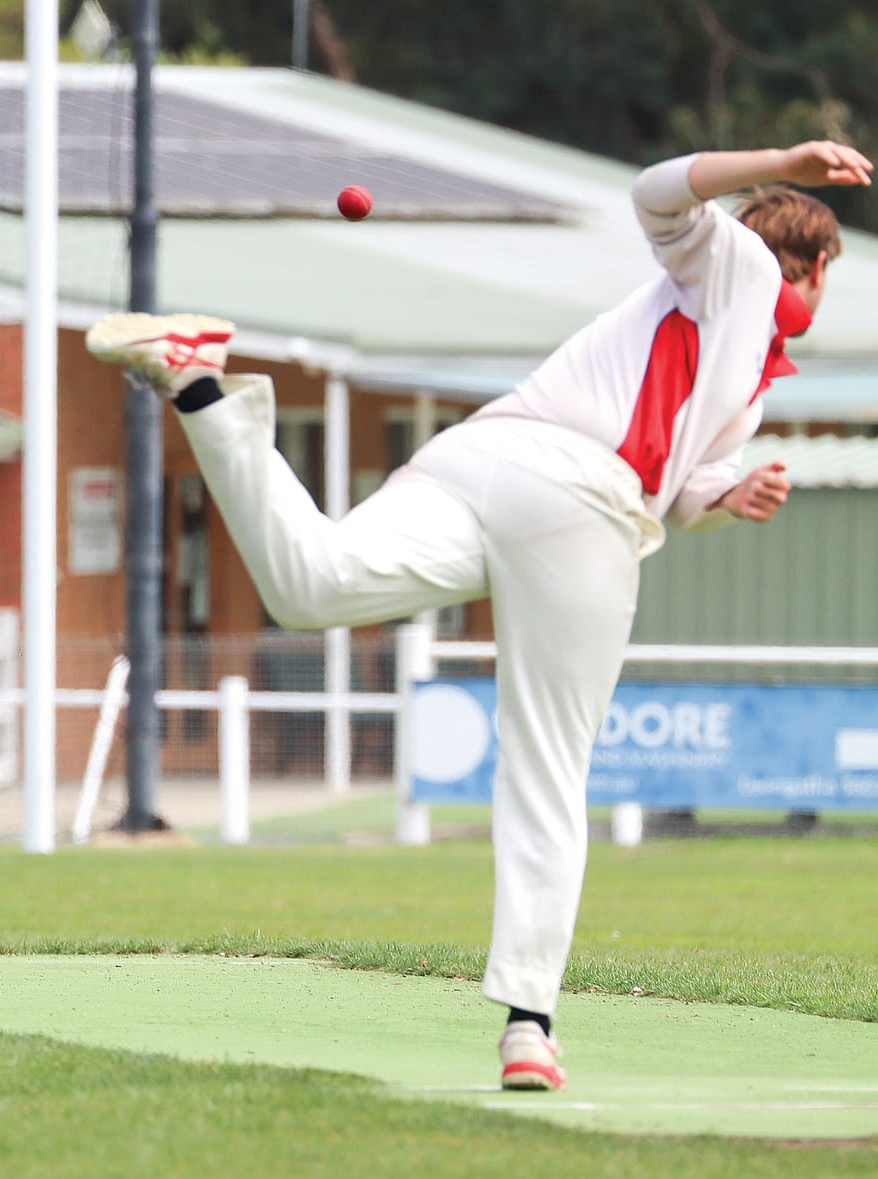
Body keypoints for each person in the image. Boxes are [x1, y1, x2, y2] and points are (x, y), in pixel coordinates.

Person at [86, 141, 871, 1089]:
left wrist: (724, 495)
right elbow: (654, 190)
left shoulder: (733, 361)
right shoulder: (737, 262)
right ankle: (529, 1023)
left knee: (314, 586)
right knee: (548, 764)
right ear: (820, 265)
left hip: (489, 455)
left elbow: (676, 483)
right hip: (578, 499)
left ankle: (198, 383)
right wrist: (780, 160)